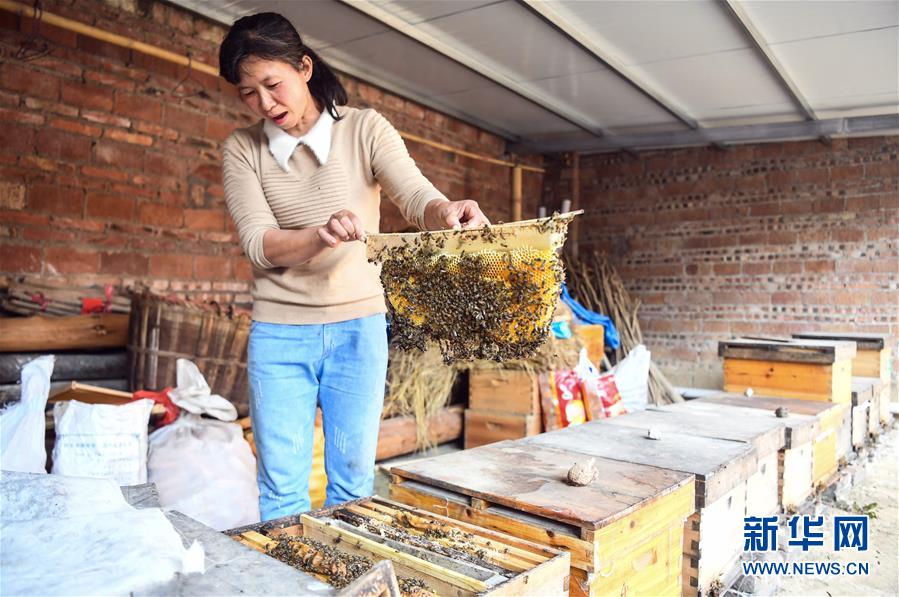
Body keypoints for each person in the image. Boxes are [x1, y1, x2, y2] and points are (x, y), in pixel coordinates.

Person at [218, 12, 490, 521]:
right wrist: (319, 235)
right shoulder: (243, 149)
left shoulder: (365, 129)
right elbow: (258, 244)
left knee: (352, 487)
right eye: (248, 93)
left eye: (272, 85)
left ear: (304, 68)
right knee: (281, 490)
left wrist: (447, 211)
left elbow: (416, 198)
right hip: (279, 334)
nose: (265, 104)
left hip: (358, 329)